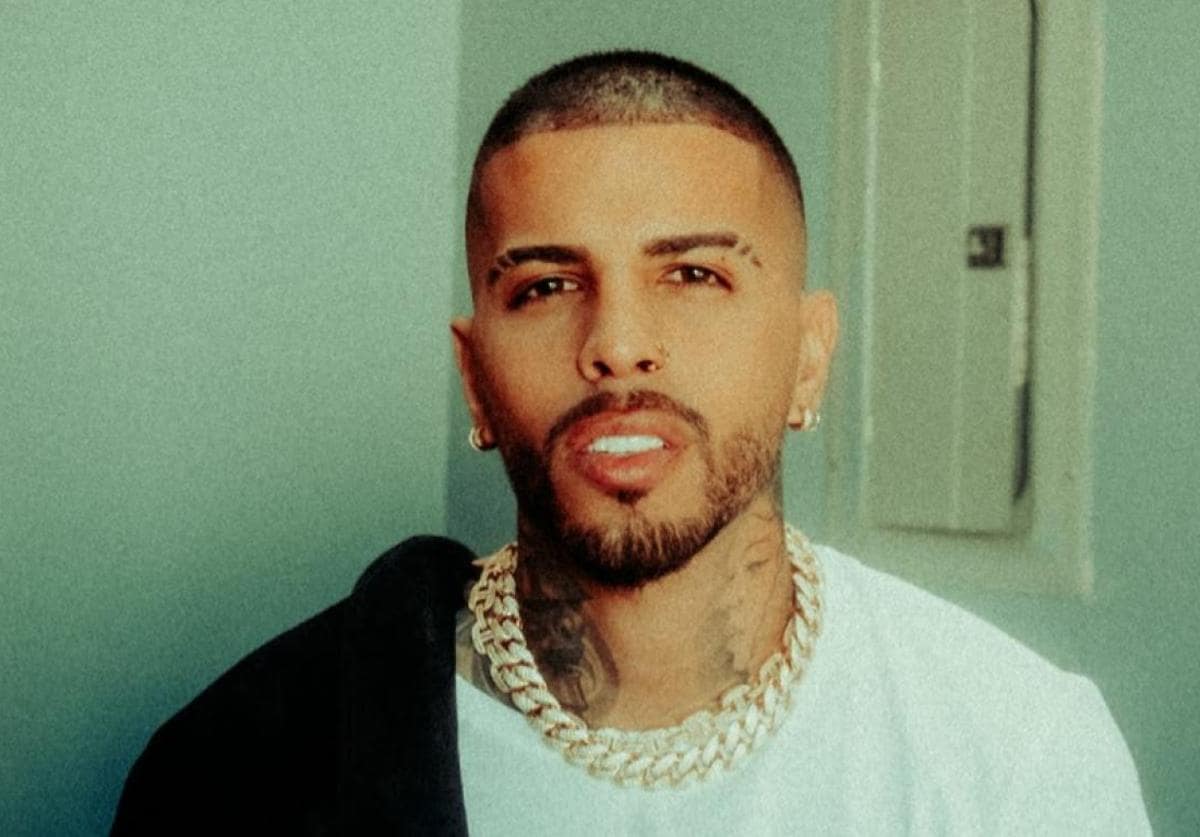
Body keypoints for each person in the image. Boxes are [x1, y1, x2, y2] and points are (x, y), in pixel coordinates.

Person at [111, 51, 1150, 835]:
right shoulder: (239, 767)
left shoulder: (1016, 752)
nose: (616, 344)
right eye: (545, 286)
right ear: (474, 378)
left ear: (809, 358)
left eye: (694, 275)